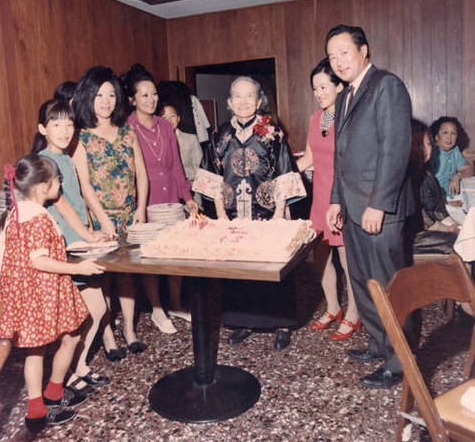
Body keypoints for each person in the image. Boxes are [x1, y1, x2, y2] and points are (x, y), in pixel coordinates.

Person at [325, 25, 414, 389]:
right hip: (352, 207)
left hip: (380, 210)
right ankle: (379, 345)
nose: (338, 62)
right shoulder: (345, 95)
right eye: (332, 57)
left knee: (390, 287)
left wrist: (378, 204)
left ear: (364, 50)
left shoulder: (387, 86)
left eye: (344, 52)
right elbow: (341, 156)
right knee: (363, 282)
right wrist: (335, 199)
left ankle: (400, 361)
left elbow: (395, 150)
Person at [193, 76, 306, 349]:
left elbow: (283, 173)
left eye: (249, 97)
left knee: (273, 269)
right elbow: (213, 179)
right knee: (239, 272)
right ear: (230, 103)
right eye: (237, 97)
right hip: (232, 216)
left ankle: (281, 323)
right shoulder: (219, 137)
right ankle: (243, 321)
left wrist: (279, 214)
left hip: (267, 215)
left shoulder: (272, 134)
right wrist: (220, 215)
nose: (243, 102)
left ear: (258, 102)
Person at [0, 154, 104, 430]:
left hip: (46, 288)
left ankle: (53, 392)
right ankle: (36, 411)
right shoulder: (35, 219)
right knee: (39, 350)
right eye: (58, 180)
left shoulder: (27, 211)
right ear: (44, 185)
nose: (61, 183)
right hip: (38, 293)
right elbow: (38, 260)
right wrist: (79, 269)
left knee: (70, 336)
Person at [31, 99, 111, 392]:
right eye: (56, 124)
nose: (65, 130)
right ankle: (68, 375)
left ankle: (78, 367)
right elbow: (62, 205)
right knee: (77, 318)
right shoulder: (44, 160)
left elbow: (77, 201)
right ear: (43, 128)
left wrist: (91, 229)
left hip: (78, 241)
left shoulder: (65, 157)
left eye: (69, 124)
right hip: (64, 247)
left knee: (97, 307)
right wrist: (88, 236)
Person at [72, 66, 148, 359]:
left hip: (130, 216)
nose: (106, 101)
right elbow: (86, 186)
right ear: (88, 97)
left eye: (111, 94)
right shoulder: (81, 137)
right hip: (100, 221)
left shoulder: (127, 130)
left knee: (128, 276)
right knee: (103, 279)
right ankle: (107, 335)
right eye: (99, 95)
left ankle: (129, 330)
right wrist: (103, 219)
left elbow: (141, 173)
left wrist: (141, 208)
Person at [121, 63, 198, 334]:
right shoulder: (126, 128)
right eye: (144, 95)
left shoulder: (166, 126)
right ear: (132, 99)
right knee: (151, 261)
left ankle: (175, 303)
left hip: (171, 203)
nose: (151, 99)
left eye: (154, 94)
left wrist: (187, 198)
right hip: (148, 204)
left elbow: (176, 166)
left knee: (176, 257)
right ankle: (156, 309)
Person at [298, 59, 360, 340]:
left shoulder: (349, 115)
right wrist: (280, 174)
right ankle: (333, 306)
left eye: (324, 86)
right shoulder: (316, 118)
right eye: (315, 88)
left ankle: (353, 314)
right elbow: (310, 158)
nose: (319, 92)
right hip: (320, 197)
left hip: (342, 197)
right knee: (320, 256)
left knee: (348, 260)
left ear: (339, 86)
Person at [408, 119, 459, 254]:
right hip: (414, 237)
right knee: (461, 243)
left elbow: (437, 205)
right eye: (418, 144)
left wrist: (452, 223)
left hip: (429, 230)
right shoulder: (407, 176)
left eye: (428, 144)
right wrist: (447, 229)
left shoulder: (426, 172)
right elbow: (423, 220)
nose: (424, 149)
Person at [159, 104, 203, 184]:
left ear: (178, 118)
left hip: (190, 185)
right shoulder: (155, 142)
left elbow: (200, 168)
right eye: (164, 117)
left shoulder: (191, 139)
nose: (169, 120)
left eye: (172, 116)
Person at [430, 116, 471, 198]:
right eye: (445, 133)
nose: (449, 137)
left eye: (453, 133)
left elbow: (468, 169)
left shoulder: (454, 151)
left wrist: (457, 176)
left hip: (452, 196)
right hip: (436, 200)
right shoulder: (431, 153)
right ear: (436, 136)